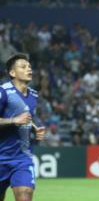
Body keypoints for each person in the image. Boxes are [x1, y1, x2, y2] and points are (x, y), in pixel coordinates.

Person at [0, 53, 46, 201]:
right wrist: (14, 120)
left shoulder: (33, 95)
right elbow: (17, 119)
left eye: (30, 67)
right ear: (12, 73)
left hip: (22, 158)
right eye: (23, 67)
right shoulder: (3, 92)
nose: (29, 69)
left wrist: (35, 128)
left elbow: (26, 117)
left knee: (25, 193)